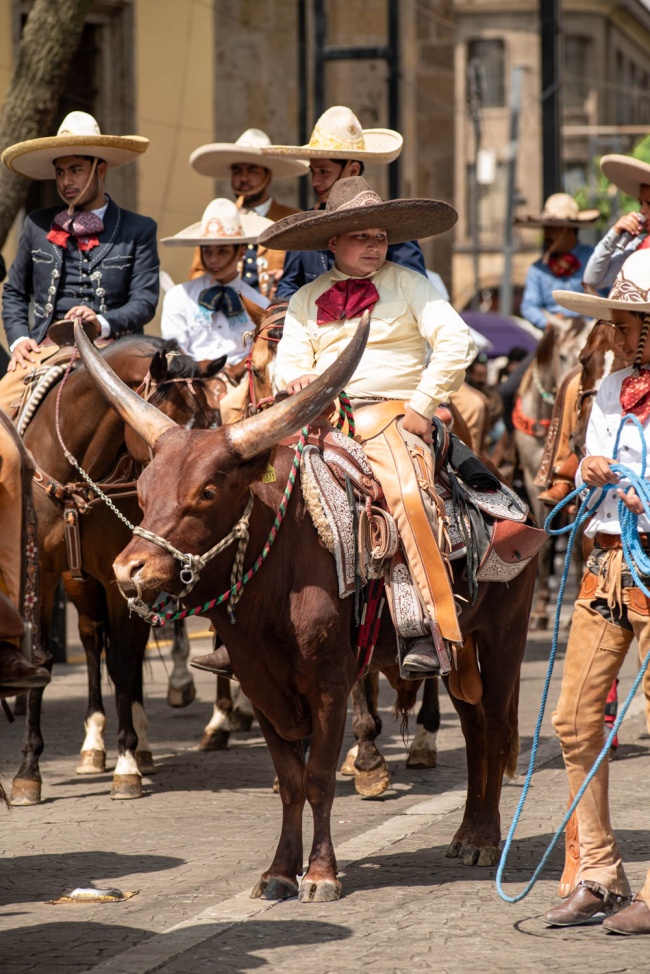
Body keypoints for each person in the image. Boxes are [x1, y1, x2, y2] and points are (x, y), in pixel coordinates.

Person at [192, 176, 476, 678]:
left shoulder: (410, 284)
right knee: (247, 488)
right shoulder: (305, 299)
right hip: (315, 419)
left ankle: (421, 626)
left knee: (405, 494)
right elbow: (284, 366)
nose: (374, 246)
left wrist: (423, 405)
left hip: (391, 414)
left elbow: (456, 342)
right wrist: (296, 377)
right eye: (361, 237)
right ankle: (235, 626)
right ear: (333, 244)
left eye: (380, 237)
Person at [541, 249, 650, 935]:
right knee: (575, 720)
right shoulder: (608, 388)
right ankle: (601, 873)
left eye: (630, 319)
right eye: (617, 316)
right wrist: (586, 466)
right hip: (605, 565)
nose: (614, 329)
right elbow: (589, 462)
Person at [0, 110, 159, 418]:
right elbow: (15, 292)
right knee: (1, 414)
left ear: (100, 169)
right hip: (46, 351)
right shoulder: (37, 224)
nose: (66, 181)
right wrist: (20, 339)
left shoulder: (138, 229)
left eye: (75, 169)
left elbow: (145, 301)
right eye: (60, 172)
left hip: (117, 349)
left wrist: (102, 321)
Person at [260, 106, 427, 298]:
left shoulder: (388, 222)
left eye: (324, 172)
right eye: (313, 172)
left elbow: (416, 291)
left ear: (353, 170)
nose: (315, 182)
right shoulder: (304, 227)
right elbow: (288, 288)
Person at [188, 129, 308, 295]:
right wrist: (215, 281)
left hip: (275, 314)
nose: (243, 178)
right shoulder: (217, 218)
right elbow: (197, 272)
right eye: (237, 171)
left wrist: (288, 279)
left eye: (252, 170)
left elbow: (308, 272)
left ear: (268, 175)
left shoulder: (292, 220)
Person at [161, 199, 272, 366]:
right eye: (207, 251)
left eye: (222, 251)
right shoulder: (178, 297)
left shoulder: (260, 304)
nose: (213, 259)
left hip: (242, 384)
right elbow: (174, 350)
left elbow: (261, 352)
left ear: (241, 251)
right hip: (191, 383)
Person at [516, 193, 599, 330]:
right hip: (554, 335)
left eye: (553, 229)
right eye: (546, 229)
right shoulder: (538, 269)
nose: (547, 235)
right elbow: (529, 306)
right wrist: (549, 324)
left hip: (591, 333)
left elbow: (611, 297)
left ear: (569, 230)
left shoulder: (594, 259)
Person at [583, 153, 650, 291]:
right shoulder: (639, 245)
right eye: (641, 203)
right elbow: (593, 280)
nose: (642, 211)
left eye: (649, 203)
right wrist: (614, 234)